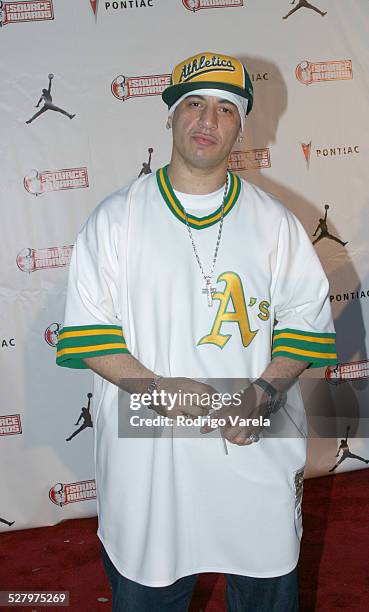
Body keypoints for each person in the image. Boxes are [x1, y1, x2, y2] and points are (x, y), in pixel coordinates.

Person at [56, 51, 337, 611]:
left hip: (254, 441)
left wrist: (264, 392)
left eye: (225, 110)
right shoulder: (117, 219)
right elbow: (89, 335)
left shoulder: (274, 223)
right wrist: (161, 389)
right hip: (151, 453)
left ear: (241, 126)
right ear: (170, 115)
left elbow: (307, 321)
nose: (208, 121)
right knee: (149, 587)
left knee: (265, 585)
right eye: (194, 104)